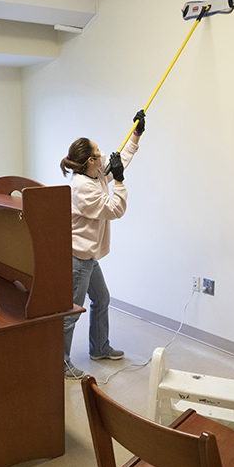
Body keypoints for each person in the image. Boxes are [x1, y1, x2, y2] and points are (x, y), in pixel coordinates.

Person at [59, 110, 145, 379]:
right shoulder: (83, 188)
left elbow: (119, 161)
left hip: (88, 255)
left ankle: (99, 348)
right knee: (71, 312)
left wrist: (136, 134)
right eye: (99, 151)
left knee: (101, 298)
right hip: (77, 257)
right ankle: (59, 362)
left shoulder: (94, 175)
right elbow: (115, 209)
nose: (104, 154)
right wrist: (119, 180)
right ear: (90, 161)